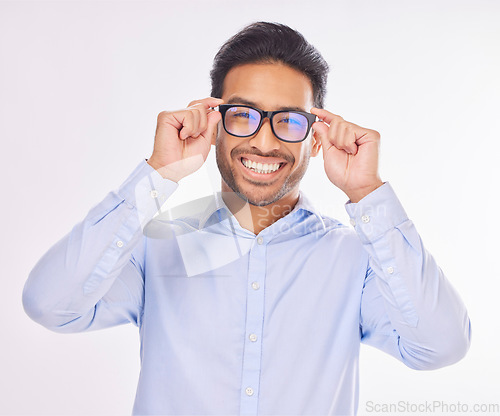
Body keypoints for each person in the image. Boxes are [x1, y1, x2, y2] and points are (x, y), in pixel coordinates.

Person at [22, 21, 471, 416]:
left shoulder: (356, 258)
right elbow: (51, 304)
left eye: (289, 121)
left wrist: (367, 193)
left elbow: (441, 346)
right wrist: (157, 174)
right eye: (243, 116)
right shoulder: (158, 242)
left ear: (315, 140)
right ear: (215, 125)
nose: (264, 142)